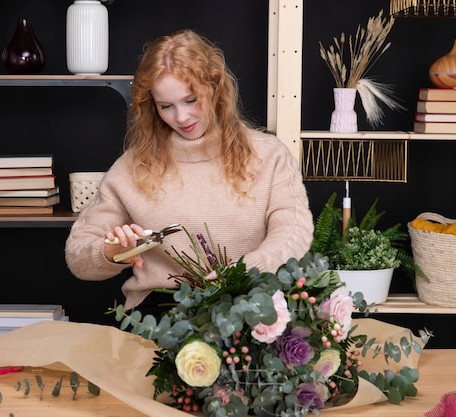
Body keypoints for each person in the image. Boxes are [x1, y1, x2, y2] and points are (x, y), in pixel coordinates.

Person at [65, 29, 313, 316]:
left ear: (215, 86)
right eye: (166, 106)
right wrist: (111, 252)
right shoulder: (132, 168)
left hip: (250, 304)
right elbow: (77, 255)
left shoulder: (269, 155)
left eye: (191, 100)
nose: (181, 117)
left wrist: (247, 270)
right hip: (160, 316)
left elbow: (293, 232)